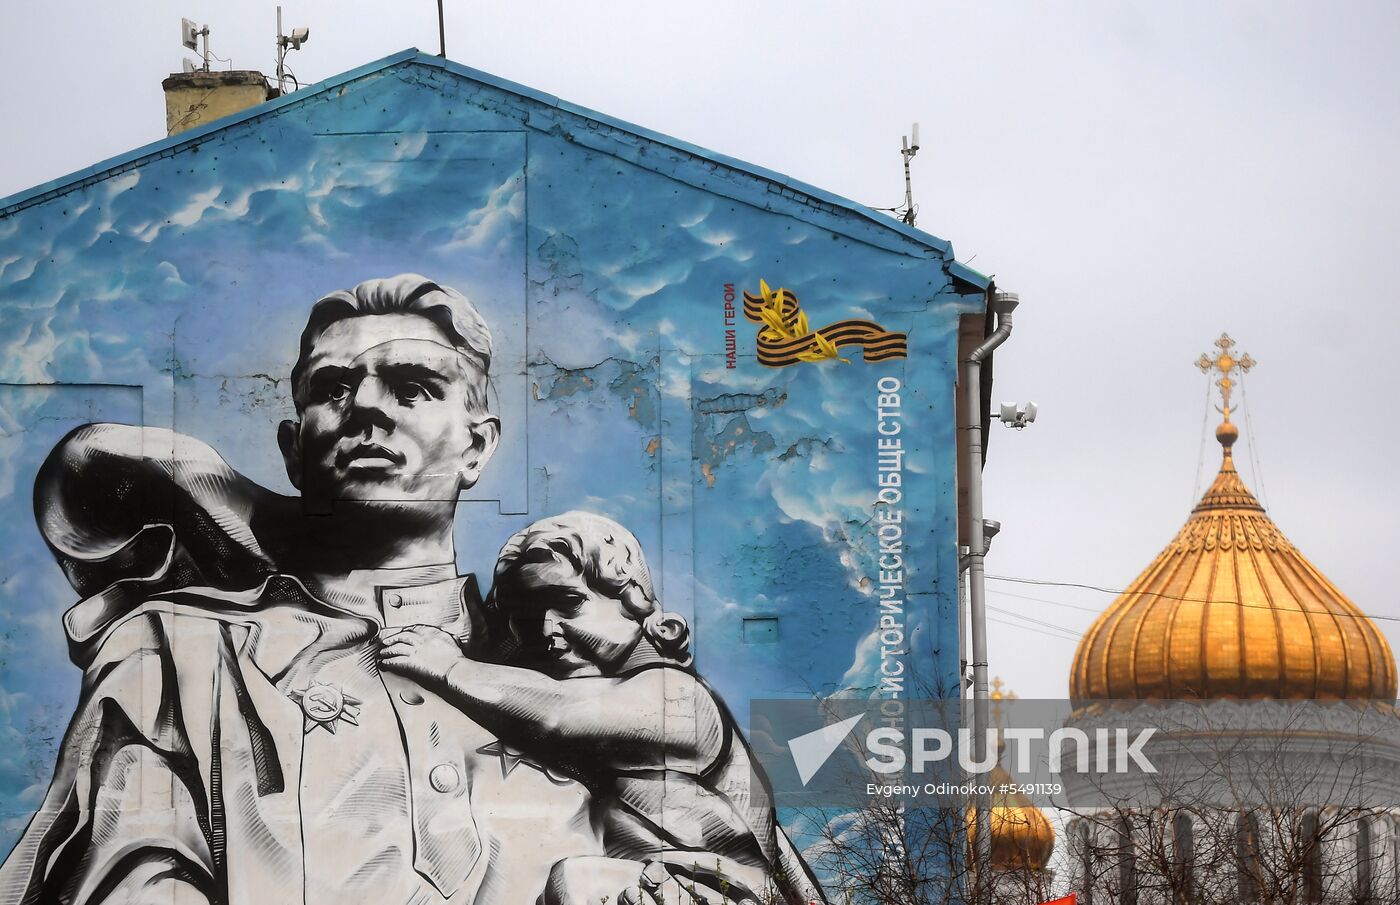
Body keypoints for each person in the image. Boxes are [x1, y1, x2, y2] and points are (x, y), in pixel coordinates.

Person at [0, 276, 650, 905]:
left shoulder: (577, 673)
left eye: (412, 386)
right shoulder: (181, 653)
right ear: (292, 448)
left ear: (476, 446)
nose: (366, 407)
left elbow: (711, 851)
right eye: (334, 387)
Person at [377, 512, 827, 905]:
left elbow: (560, 714)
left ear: (632, 600)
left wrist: (452, 667)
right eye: (530, 620)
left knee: (581, 881)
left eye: (568, 603)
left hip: (727, 893)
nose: (547, 630)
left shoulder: (680, 698)